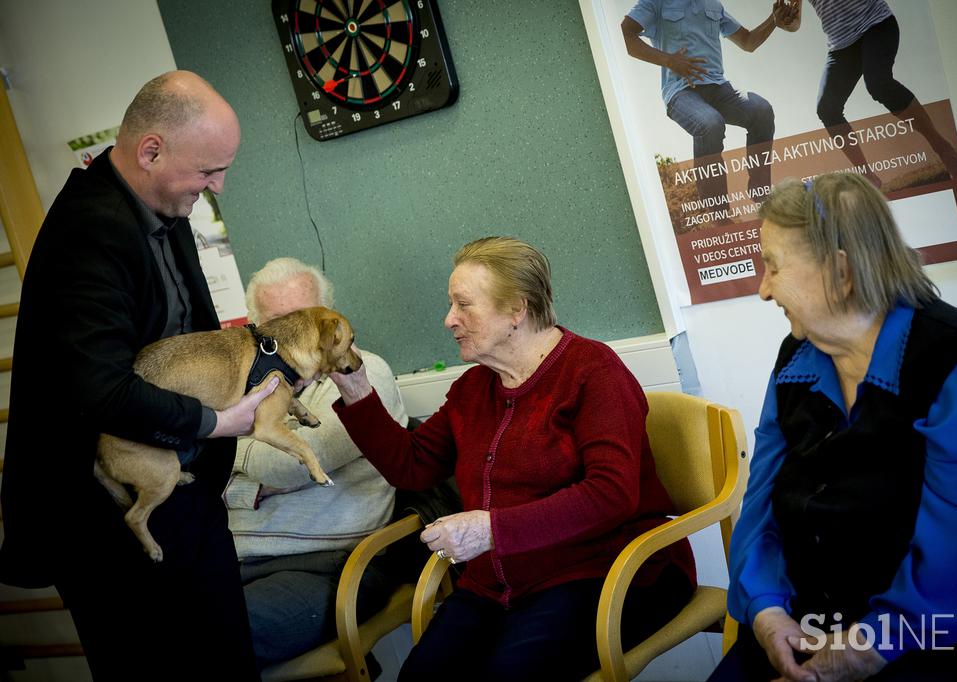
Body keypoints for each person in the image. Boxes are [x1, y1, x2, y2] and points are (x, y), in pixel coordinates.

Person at [0, 71, 279, 680]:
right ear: (151, 150)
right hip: (107, 516)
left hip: (183, 493)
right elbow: (100, 391)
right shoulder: (88, 229)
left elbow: (195, 341)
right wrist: (219, 420)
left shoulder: (161, 208)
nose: (218, 186)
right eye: (208, 171)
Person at [328, 236, 697, 680]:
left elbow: (611, 494)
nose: (449, 320)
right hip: (499, 583)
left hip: (604, 571)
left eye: (464, 305)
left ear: (516, 311)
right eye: (451, 305)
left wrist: (492, 529)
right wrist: (355, 389)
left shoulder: (592, 371)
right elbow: (414, 465)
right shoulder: (473, 388)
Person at [708, 173, 957, 681]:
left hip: (925, 641)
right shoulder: (797, 359)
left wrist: (863, 649)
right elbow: (761, 508)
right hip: (800, 627)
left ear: (841, 272)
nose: (763, 290)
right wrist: (766, 611)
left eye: (772, 267)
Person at [226, 257, 409, 669]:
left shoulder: (363, 373)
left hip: (333, 566)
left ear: (330, 318)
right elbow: (200, 468)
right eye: (279, 324)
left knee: (209, 638)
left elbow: (289, 466)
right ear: (256, 331)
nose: (296, 334)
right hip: (237, 559)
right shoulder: (246, 382)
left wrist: (229, 439)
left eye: (306, 319)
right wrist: (247, 481)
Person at [773, 0, 957, 187]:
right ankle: (868, 177)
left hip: (876, 24)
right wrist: (787, 22)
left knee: (878, 83)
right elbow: (795, 20)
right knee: (827, 109)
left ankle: (943, 148)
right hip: (841, 45)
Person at [622, 0, 780, 221]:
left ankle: (761, 194)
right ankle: (718, 214)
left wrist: (774, 20)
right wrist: (670, 61)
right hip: (681, 92)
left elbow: (748, 41)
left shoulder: (713, 5)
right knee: (710, 124)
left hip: (719, 88)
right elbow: (627, 33)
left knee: (761, 111)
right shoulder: (655, 3)